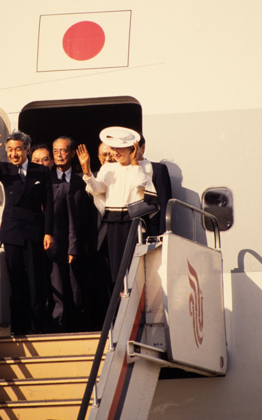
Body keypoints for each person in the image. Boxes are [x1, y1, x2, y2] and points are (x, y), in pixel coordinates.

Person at [0, 130, 53, 334]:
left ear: (27, 149)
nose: (13, 154)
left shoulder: (41, 171)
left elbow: (49, 204)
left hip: (35, 232)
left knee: (37, 283)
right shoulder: (5, 169)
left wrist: (48, 232)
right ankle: (19, 330)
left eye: (17, 149)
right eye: (10, 150)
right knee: (16, 282)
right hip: (12, 233)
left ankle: (40, 328)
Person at [76, 126, 153, 285]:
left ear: (131, 149)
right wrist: (87, 172)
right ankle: (118, 299)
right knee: (116, 266)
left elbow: (140, 185)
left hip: (132, 221)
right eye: (114, 148)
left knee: (132, 264)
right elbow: (98, 189)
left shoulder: (143, 166)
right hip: (112, 221)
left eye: (121, 149)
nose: (116, 152)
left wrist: (134, 163)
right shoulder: (107, 167)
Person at [48, 136, 95, 332]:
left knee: (77, 288)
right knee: (56, 286)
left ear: (72, 153)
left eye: (64, 150)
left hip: (78, 242)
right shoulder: (46, 181)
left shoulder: (81, 181)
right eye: (56, 151)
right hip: (52, 243)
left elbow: (87, 214)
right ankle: (57, 326)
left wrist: (83, 242)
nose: (59, 155)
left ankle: (80, 325)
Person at [137, 135, 172, 236]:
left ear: (143, 147)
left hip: (151, 227)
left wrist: (163, 232)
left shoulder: (157, 169)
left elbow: (164, 202)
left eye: (134, 148)